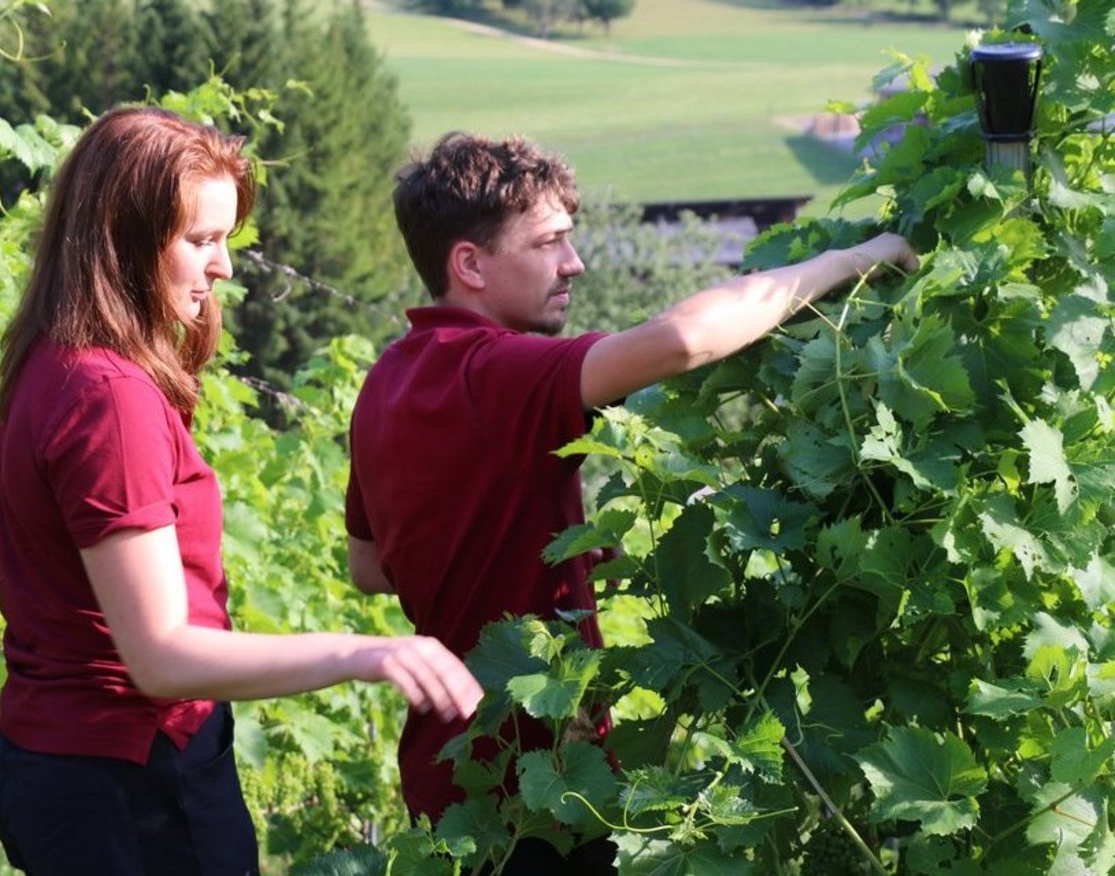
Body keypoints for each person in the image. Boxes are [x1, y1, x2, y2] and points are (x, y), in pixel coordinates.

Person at [344, 131, 918, 871]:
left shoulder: (388, 378)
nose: (574, 262)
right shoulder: (496, 371)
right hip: (540, 785)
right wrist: (852, 259)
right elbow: (681, 340)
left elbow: (370, 566)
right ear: (470, 265)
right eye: (547, 243)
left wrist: (522, 543)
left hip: (448, 773)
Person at [0, 107, 483, 876]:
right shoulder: (107, 395)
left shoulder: (55, 358)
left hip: (70, 765)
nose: (222, 267)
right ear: (124, 242)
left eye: (226, 239)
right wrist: (368, 652)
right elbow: (160, 656)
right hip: (130, 781)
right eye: (201, 240)